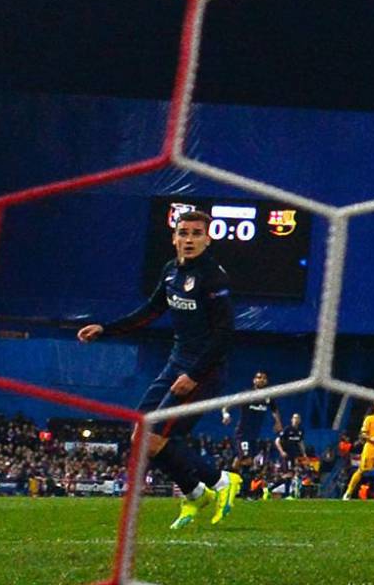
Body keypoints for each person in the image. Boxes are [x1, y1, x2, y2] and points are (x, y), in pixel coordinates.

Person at [77, 206, 241, 529]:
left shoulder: (213, 277)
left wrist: (193, 375)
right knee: (141, 436)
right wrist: (105, 329)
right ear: (174, 238)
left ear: (208, 240)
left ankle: (221, 481)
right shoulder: (170, 271)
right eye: (184, 233)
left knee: (153, 439)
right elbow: (150, 312)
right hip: (175, 361)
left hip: (203, 371)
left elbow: (225, 333)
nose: (189, 239)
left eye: (197, 234)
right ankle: (196, 493)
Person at [222, 372, 281, 494]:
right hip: (242, 433)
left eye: (264, 378)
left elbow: (275, 410)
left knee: (238, 461)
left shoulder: (268, 398)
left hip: (254, 435)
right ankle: (245, 492)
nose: (262, 380)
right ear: (254, 380)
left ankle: (225, 485)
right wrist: (226, 414)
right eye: (259, 378)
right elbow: (227, 405)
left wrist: (278, 422)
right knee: (247, 461)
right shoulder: (247, 394)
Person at [276, 412, 308, 499]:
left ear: (300, 420)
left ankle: (285, 493)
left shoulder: (300, 431)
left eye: (297, 418)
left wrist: (304, 454)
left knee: (290, 474)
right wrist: (282, 451)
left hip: (294, 455)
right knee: (288, 473)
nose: (296, 420)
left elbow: (300, 442)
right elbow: (277, 441)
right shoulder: (287, 429)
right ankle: (281, 492)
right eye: (294, 418)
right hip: (286, 455)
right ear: (291, 420)